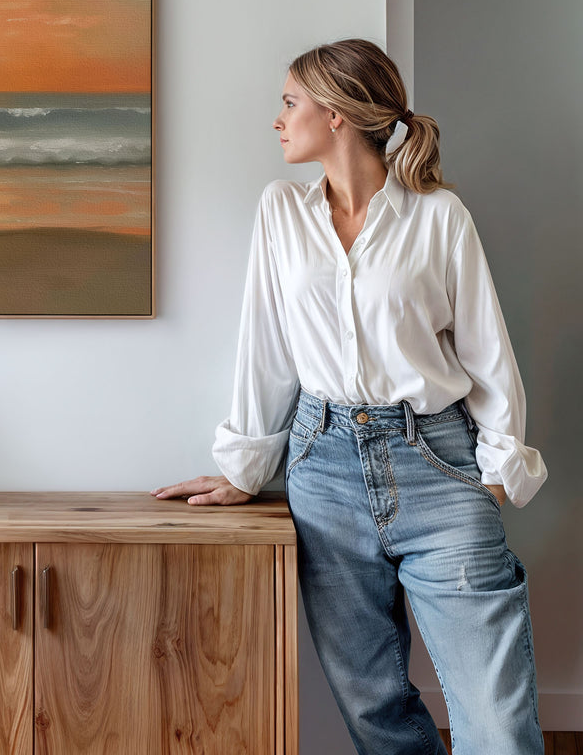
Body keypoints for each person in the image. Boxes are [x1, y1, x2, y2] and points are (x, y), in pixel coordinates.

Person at [153, 39, 547, 755]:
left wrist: (495, 472)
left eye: (289, 102)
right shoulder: (281, 212)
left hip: (438, 461)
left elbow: (488, 353)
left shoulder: (439, 217)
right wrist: (246, 468)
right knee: (374, 710)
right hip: (322, 466)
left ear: (336, 115)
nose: (278, 119)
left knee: (496, 720)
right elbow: (264, 347)